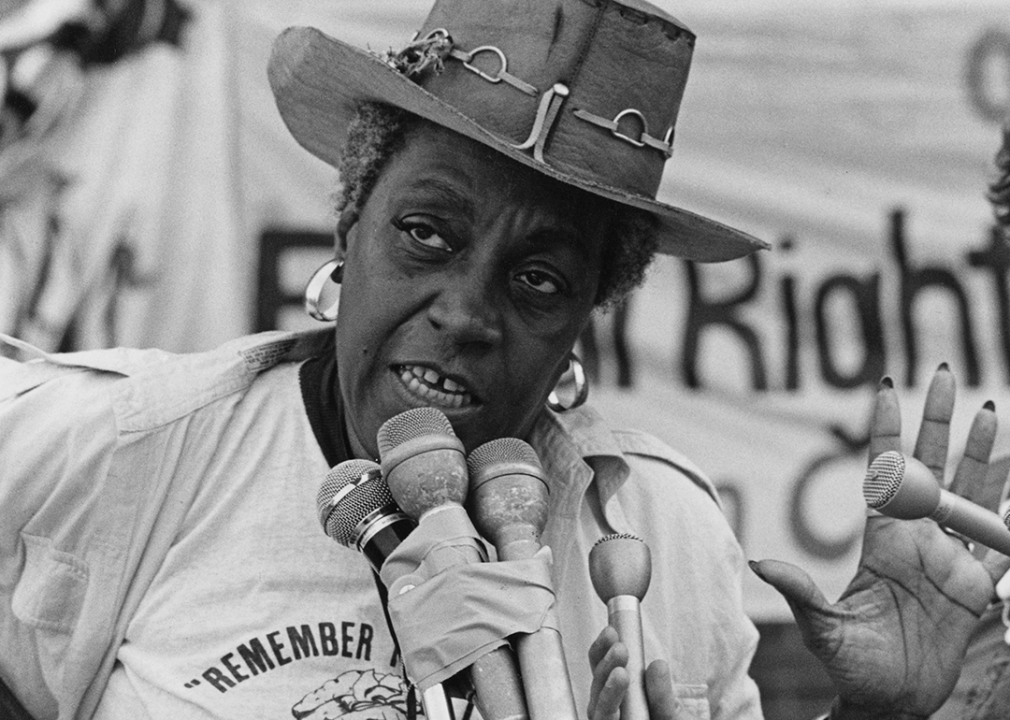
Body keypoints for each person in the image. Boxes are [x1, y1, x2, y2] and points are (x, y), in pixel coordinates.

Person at [1, 0, 1008, 718]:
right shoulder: (124, 448)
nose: (467, 312)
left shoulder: (660, 535)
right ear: (346, 234)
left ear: (586, 318)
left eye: (537, 281)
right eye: (426, 235)